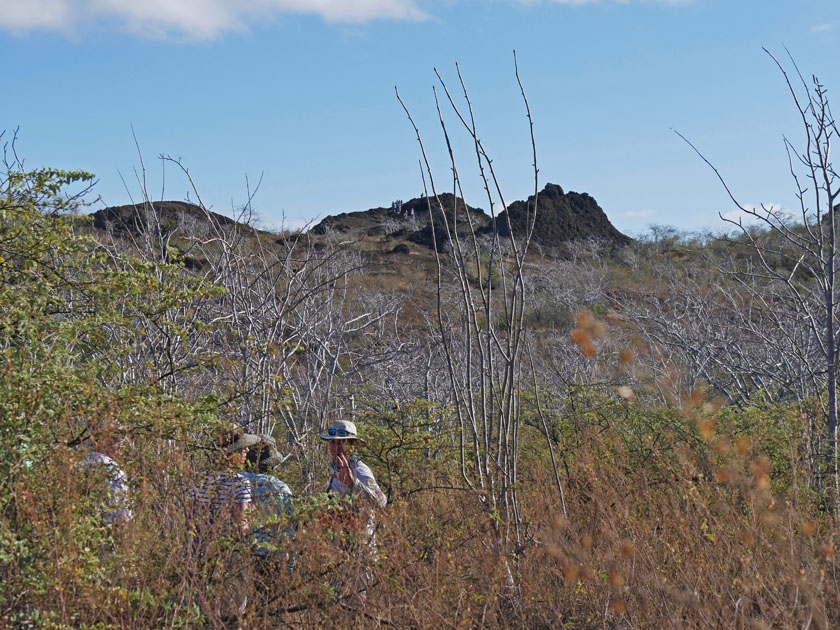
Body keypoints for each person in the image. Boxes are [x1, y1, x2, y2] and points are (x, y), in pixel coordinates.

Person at [243, 435, 293, 556]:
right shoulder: (281, 488)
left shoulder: (236, 483)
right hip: (273, 555)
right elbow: (291, 529)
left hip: (242, 554)